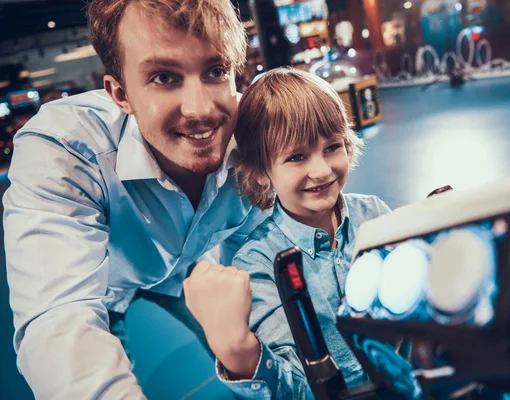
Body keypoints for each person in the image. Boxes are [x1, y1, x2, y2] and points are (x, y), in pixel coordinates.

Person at [3, 0, 268, 398]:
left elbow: (260, 242)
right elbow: (59, 320)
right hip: (105, 283)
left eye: (215, 71)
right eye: (164, 77)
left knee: (257, 349)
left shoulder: (252, 139)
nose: (200, 110)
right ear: (120, 93)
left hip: (192, 267)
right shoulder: (64, 149)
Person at [184, 68, 420, 399]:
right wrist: (241, 353)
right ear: (261, 173)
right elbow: (294, 388)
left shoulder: (374, 213)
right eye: (296, 156)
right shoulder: (258, 264)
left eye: (332, 147)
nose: (322, 170)